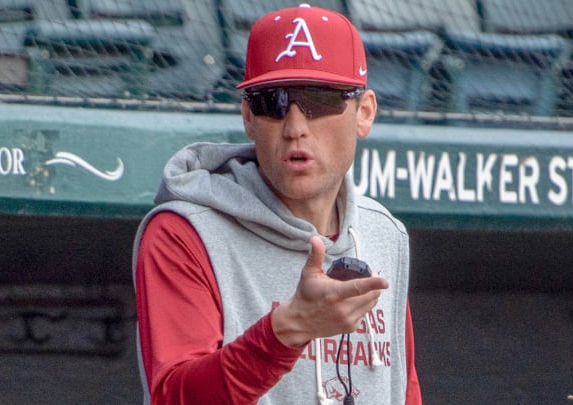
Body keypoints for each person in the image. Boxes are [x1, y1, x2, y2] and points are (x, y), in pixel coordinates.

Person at [132, 4, 421, 404]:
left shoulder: (383, 234)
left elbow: (402, 392)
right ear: (249, 117)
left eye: (319, 101)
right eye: (274, 102)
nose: (295, 128)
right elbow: (173, 398)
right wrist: (286, 332)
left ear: (364, 113)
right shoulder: (185, 232)